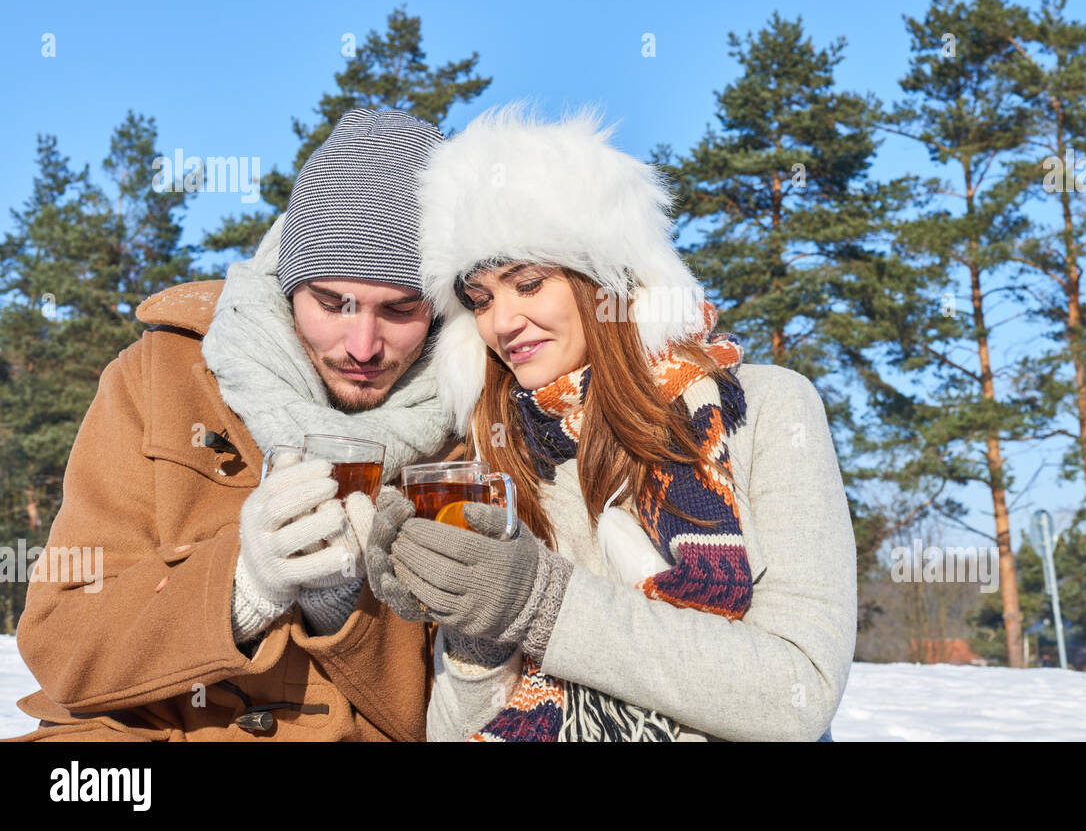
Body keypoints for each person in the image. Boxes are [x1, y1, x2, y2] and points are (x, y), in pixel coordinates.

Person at [364, 103, 858, 741]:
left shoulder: (765, 412)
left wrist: (540, 602)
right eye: (480, 299)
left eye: (528, 282)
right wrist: (470, 617)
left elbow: (798, 694)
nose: (502, 322)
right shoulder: (496, 462)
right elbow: (454, 732)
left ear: (607, 280)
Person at [9, 109, 454, 741]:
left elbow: (471, 705)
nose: (363, 345)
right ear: (287, 284)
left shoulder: (478, 410)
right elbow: (60, 641)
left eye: (401, 309)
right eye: (331, 303)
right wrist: (244, 585)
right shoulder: (160, 374)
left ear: (439, 311)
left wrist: (342, 612)